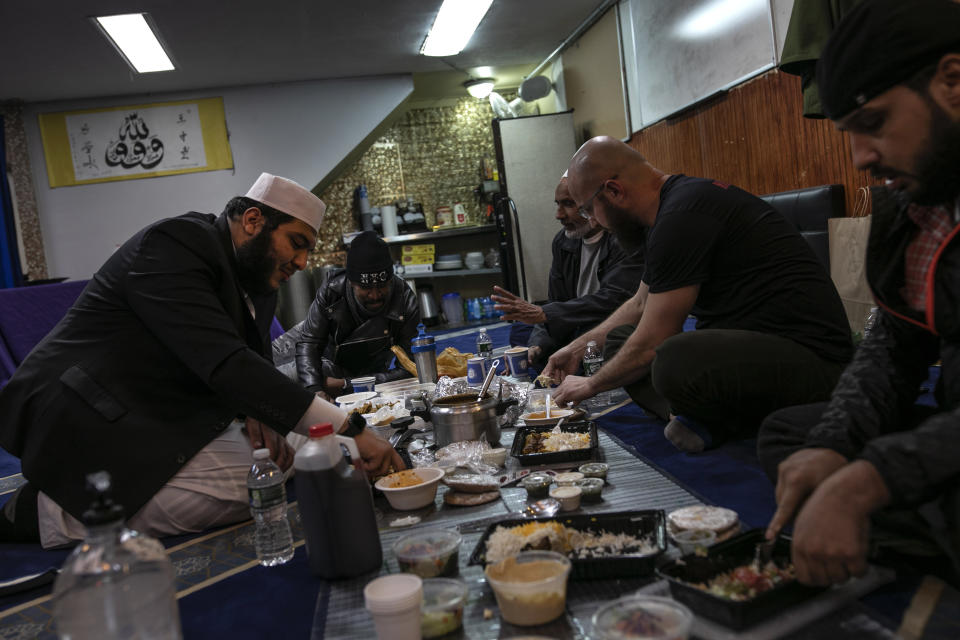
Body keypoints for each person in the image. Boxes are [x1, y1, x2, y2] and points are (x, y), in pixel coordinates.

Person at [0, 173, 403, 548]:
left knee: (309, 449)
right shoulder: (173, 245)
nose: (301, 263)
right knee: (254, 488)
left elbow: (253, 365)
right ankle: (48, 511)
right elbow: (227, 364)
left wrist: (260, 413)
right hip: (93, 414)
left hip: (172, 414)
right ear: (252, 220)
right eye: (297, 243)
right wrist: (351, 427)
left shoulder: (256, 280)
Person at [759, 0, 960, 587]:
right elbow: (896, 343)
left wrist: (870, 478)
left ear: (952, 80)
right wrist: (837, 446)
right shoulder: (914, 197)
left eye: (873, 123)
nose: (861, 160)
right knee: (796, 442)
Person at [546, 137, 854, 452]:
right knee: (619, 340)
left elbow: (654, 340)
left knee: (673, 357)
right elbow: (640, 303)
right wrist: (577, 348)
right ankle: (701, 418)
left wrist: (591, 384)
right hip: (751, 351)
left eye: (588, 209)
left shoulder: (683, 214)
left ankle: (716, 421)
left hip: (817, 363)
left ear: (613, 190)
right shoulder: (666, 214)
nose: (593, 221)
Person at [490, 175, 645, 368]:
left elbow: (613, 300)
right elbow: (557, 301)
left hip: (608, 320)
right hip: (574, 319)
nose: (559, 214)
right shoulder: (563, 242)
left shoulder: (622, 239)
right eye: (558, 205)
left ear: (592, 203)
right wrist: (536, 346)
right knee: (522, 333)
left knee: (605, 337)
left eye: (569, 204)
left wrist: (546, 313)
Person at [293, 230, 419, 396]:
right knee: (276, 384)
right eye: (366, 288)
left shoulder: (404, 299)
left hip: (367, 372)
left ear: (391, 280)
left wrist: (346, 384)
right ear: (351, 282)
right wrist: (315, 389)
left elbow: (412, 369)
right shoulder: (332, 291)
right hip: (318, 360)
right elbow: (309, 344)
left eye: (382, 286)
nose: (374, 295)